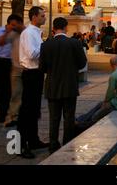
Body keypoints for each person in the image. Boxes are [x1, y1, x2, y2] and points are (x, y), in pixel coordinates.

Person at [39, 17, 88, 154]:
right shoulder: (75, 43)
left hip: (52, 85)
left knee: (53, 117)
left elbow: (41, 67)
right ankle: (68, 143)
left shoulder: (46, 45)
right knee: (69, 116)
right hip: (69, 85)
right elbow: (82, 63)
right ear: (66, 27)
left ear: (53, 28)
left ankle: (53, 144)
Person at [17, 6, 48, 159]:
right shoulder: (29, 33)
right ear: (34, 17)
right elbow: (32, 54)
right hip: (30, 74)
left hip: (36, 74)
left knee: (35, 109)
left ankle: (33, 140)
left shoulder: (35, 32)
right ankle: (21, 145)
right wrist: (46, 47)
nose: (45, 18)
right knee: (27, 110)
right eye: (42, 15)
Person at [85, 55, 117, 126]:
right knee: (99, 104)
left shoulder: (114, 75)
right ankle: (82, 119)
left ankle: (83, 124)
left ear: (111, 65)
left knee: (96, 116)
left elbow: (109, 94)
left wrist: (105, 102)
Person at [0, 17, 25, 128]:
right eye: (10, 25)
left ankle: (23, 114)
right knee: (15, 93)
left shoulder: (27, 33)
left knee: (25, 94)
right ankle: (13, 116)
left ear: (20, 23)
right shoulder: (13, 34)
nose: (11, 27)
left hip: (27, 68)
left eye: (13, 24)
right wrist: (7, 33)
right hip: (16, 67)